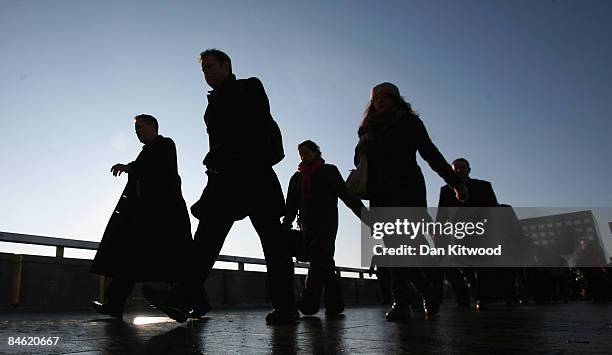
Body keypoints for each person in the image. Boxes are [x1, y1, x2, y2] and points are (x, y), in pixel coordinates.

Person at [142, 49, 298, 324]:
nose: (207, 73)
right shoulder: (210, 106)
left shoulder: (249, 86)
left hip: (254, 176)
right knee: (206, 241)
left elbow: (254, 126)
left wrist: (225, 154)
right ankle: (182, 297)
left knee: (274, 245)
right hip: (224, 181)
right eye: (203, 69)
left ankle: (285, 307)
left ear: (226, 64)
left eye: (211, 66)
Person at [355, 82, 467, 321]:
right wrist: (362, 148)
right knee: (395, 246)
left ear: (396, 99)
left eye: (386, 96)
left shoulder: (410, 122)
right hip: (381, 193)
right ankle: (426, 291)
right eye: (376, 98)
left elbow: (430, 153)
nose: (380, 101)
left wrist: (455, 183)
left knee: (404, 245)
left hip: (408, 190)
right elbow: (359, 161)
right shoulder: (367, 128)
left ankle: (403, 301)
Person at [89, 114, 192, 320]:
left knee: (176, 257)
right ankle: (115, 304)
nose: (137, 132)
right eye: (135, 129)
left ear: (153, 126)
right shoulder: (145, 153)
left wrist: (129, 168)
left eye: (140, 127)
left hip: (166, 215)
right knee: (131, 256)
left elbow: (156, 169)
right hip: (147, 216)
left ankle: (189, 303)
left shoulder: (165, 144)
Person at [282, 140, 364, 316]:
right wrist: (285, 225)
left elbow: (346, 195)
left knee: (319, 257)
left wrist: (366, 216)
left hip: (326, 224)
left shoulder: (329, 171)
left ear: (316, 152)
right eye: (301, 153)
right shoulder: (296, 178)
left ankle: (309, 303)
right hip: (306, 227)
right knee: (323, 262)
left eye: (306, 152)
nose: (303, 156)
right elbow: (291, 206)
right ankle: (335, 304)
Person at [435, 158, 500, 309]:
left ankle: (480, 297)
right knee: (455, 267)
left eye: (462, 167)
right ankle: (464, 296)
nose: (458, 170)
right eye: (455, 168)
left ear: (469, 170)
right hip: (456, 235)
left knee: (480, 267)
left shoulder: (483, 186)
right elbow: (441, 215)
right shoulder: (445, 190)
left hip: (480, 232)